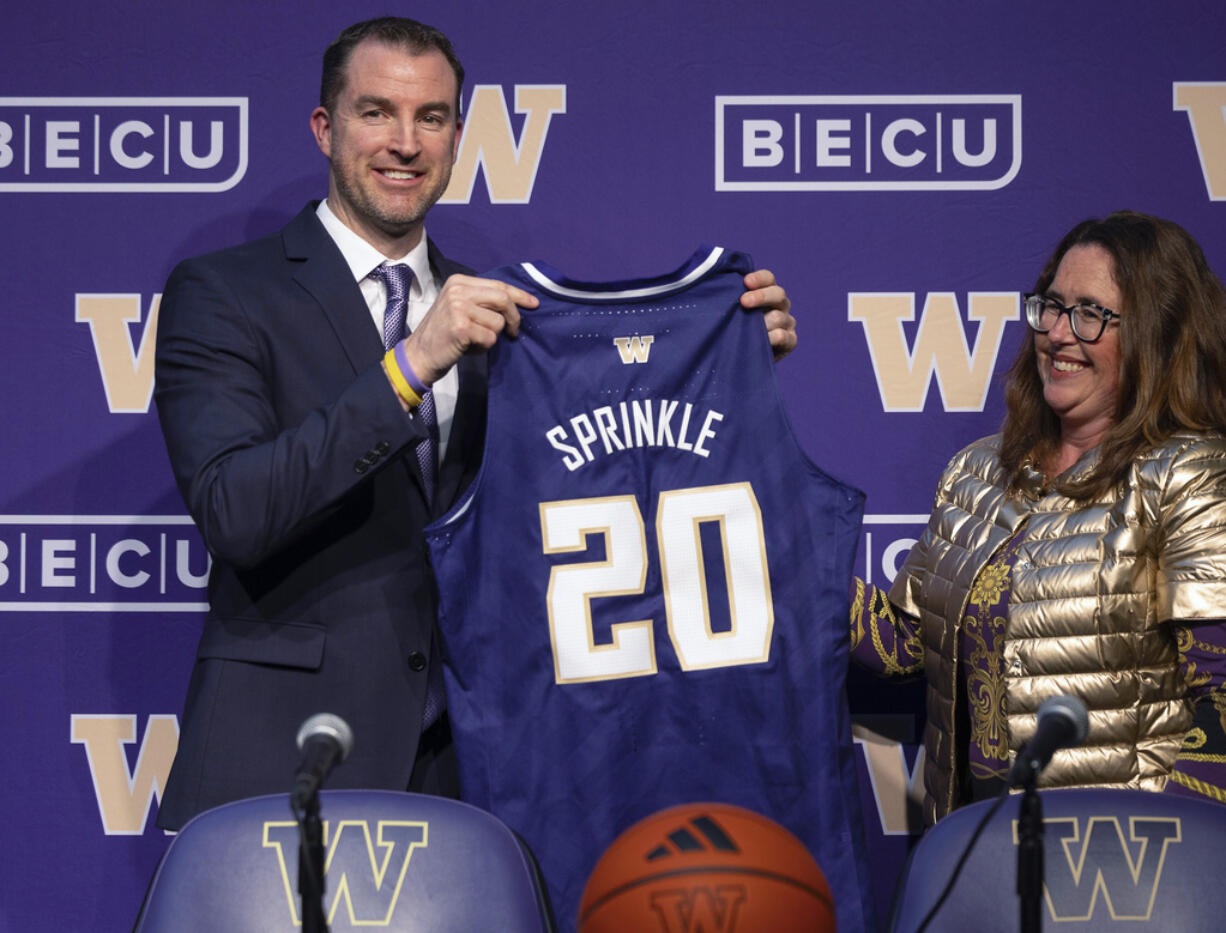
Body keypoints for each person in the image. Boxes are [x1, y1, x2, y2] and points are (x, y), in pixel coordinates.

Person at [152, 16, 798, 831]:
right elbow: (236, 510)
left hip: (470, 771)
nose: (405, 143)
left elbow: (600, 488)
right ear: (325, 128)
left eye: (431, 118)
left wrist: (726, 372)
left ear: (459, 135)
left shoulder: (507, 314)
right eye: (376, 112)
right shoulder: (225, 292)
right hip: (283, 764)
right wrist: (412, 363)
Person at [851, 210, 1226, 826]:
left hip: (1117, 876)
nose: (1057, 332)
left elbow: (1221, 701)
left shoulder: (1189, 476)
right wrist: (778, 541)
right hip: (974, 843)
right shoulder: (976, 472)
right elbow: (904, 645)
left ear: (1157, 335)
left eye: (1091, 314)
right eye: (1051, 306)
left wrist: (1158, 863)